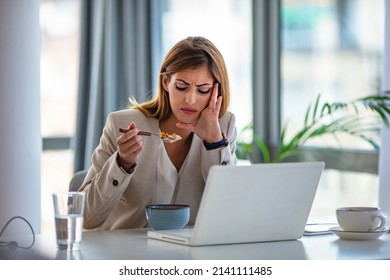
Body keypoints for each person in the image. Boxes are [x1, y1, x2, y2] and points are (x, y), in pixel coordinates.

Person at [79, 36, 237, 230]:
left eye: (203, 90)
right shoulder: (122, 124)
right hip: (126, 252)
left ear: (216, 91)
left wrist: (215, 143)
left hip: (189, 255)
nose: (190, 100)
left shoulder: (224, 127)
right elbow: (86, 217)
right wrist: (122, 164)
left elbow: (230, 212)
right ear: (165, 82)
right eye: (181, 87)